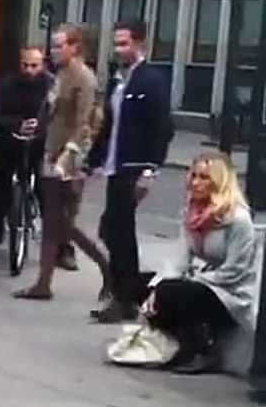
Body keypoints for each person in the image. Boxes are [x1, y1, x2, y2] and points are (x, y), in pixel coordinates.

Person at [14, 23, 110, 301]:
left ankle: (106, 268)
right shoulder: (62, 75)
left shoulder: (83, 78)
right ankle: (43, 283)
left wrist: (69, 157)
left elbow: (85, 123)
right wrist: (37, 126)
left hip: (68, 160)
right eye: (53, 45)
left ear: (74, 47)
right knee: (53, 222)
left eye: (59, 45)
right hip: (51, 151)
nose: (54, 51)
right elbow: (53, 111)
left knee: (62, 223)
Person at [87, 19, 174, 323]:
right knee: (114, 228)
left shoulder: (151, 80)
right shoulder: (119, 80)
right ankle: (128, 290)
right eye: (116, 43)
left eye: (124, 43)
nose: (119, 49)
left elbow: (162, 127)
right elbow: (110, 124)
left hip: (133, 166)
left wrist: (151, 169)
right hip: (115, 164)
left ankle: (126, 295)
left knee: (117, 228)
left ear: (140, 43)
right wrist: (93, 158)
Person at [143, 153, 256, 374]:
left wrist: (193, 280)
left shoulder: (238, 220)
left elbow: (235, 271)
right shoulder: (191, 213)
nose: (195, 182)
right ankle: (179, 344)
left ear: (219, 181)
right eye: (193, 175)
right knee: (147, 288)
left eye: (204, 177)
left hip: (231, 292)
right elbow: (179, 259)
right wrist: (155, 286)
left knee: (180, 291)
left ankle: (203, 351)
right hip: (204, 282)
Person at [0, 46, 66, 263]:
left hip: (40, 145)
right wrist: (18, 125)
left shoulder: (51, 85)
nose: (29, 70)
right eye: (25, 65)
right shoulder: (8, 84)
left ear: (43, 64)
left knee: (47, 194)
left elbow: (60, 118)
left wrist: (40, 127)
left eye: (34, 65)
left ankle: (62, 248)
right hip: (11, 142)